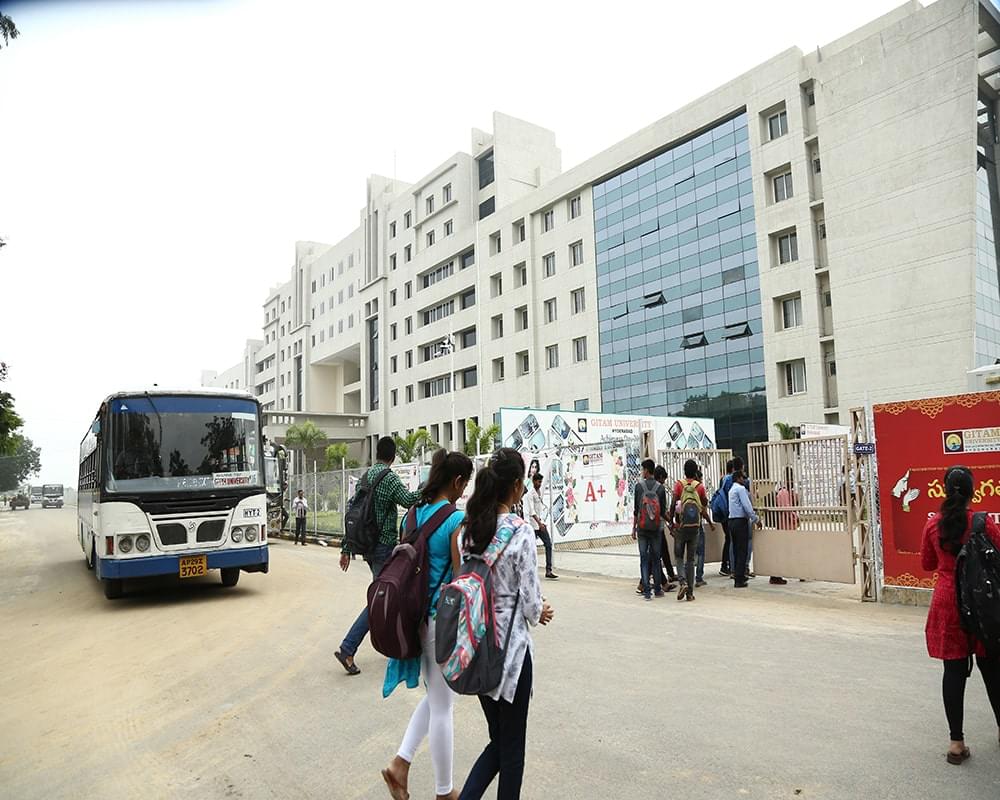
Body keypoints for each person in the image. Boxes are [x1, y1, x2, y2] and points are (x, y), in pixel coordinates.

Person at [457, 448, 554, 800]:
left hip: (476, 648)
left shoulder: (468, 531)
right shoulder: (520, 531)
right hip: (510, 658)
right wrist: (541, 610)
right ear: (515, 486)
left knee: (499, 742)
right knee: (512, 753)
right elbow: (530, 604)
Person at [381, 450, 473, 800]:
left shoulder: (413, 514)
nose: (464, 491)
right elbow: (461, 576)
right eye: (464, 483)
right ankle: (444, 791)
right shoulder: (455, 519)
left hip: (415, 618)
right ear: (456, 482)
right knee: (444, 707)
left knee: (436, 698)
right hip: (440, 620)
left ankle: (400, 764)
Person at [919, 465, 1000, 765]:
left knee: (953, 673)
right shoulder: (984, 522)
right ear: (972, 491)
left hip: (947, 603)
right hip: (982, 605)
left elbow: (928, 564)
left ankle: (956, 743)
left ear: (943, 490)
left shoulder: (932, 525)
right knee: (992, 668)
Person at [335, 436, 422, 676]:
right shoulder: (389, 477)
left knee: (391, 596)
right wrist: (428, 487)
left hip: (368, 546)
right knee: (382, 599)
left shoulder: (367, 476)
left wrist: (346, 547)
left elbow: (355, 510)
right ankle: (348, 647)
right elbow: (409, 500)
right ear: (393, 457)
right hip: (383, 545)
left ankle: (396, 645)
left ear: (377, 454)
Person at [671, 459, 711, 601]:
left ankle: (682, 583)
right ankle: (690, 593)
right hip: (695, 527)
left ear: (683, 471)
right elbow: (705, 503)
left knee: (679, 556)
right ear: (695, 472)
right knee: (691, 559)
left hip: (681, 526)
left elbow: (672, 504)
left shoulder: (678, 485)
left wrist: (671, 522)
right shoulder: (699, 487)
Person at [632, 459, 668, 600]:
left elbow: (636, 510)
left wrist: (634, 528)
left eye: (643, 470)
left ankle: (647, 591)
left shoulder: (638, 487)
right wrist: (670, 524)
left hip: (642, 528)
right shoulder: (660, 488)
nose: (642, 472)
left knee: (644, 558)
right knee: (656, 557)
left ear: (646, 470)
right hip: (656, 529)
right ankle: (658, 589)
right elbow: (663, 511)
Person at [728, 466, 760, 588]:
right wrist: (755, 519)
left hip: (732, 521)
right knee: (742, 550)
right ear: (738, 478)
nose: (744, 480)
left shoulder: (731, 490)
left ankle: (737, 575)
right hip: (740, 522)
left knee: (736, 550)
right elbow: (747, 506)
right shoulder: (740, 489)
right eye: (743, 477)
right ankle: (740, 579)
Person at [523, 472, 558, 579]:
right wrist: (539, 523)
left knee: (548, 544)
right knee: (531, 549)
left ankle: (548, 570)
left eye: (541, 482)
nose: (540, 483)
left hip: (540, 524)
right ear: (533, 481)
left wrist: (542, 522)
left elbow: (539, 510)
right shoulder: (529, 495)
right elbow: (532, 512)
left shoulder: (539, 493)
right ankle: (529, 570)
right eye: (538, 481)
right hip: (533, 526)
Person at [714, 460, 735, 576]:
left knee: (728, 538)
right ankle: (726, 565)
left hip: (722, 512)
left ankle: (726, 564)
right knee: (730, 539)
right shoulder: (729, 480)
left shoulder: (722, 479)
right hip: (727, 513)